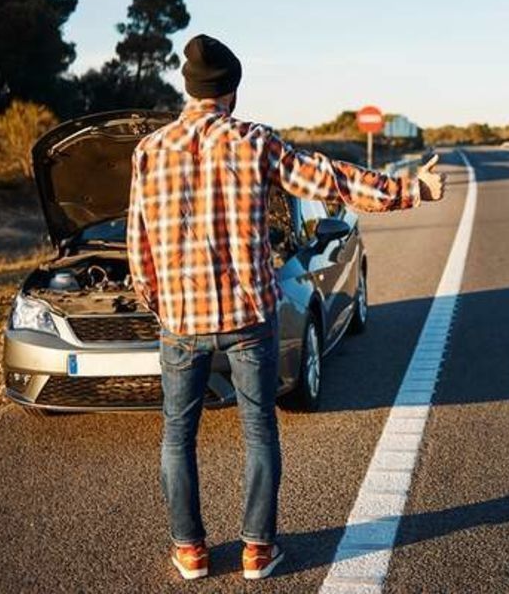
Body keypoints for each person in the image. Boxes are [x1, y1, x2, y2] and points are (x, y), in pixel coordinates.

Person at [126, 34, 445, 581]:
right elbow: (331, 179)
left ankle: (190, 551)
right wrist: (412, 190)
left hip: (180, 324)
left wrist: (165, 310)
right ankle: (257, 550)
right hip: (249, 320)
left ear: (189, 88)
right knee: (258, 431)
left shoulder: (149, 150)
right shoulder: (253, 142)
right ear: (232, 92)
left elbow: (139, 248)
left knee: (177, 436)